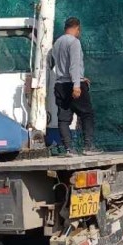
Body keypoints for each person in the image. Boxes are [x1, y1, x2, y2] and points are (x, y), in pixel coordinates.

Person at [50, 17, 98, 154]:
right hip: (73, 84)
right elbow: (74, 65)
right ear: (77, 28)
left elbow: (53, 63)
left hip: (60, 84)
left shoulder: (57, 43)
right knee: (87, 114)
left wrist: (80, 76)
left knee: (64, 119)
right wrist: (77, 84)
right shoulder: (74, 42)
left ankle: (68, 149)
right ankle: (88, 146)